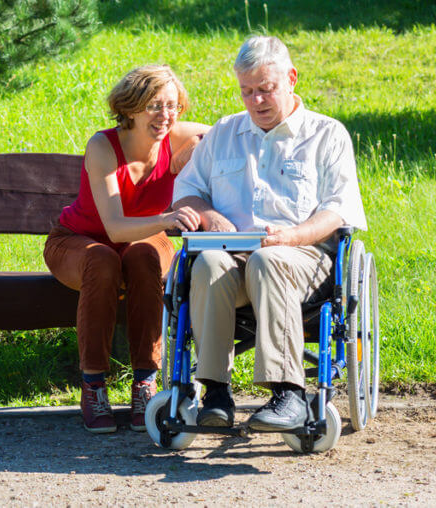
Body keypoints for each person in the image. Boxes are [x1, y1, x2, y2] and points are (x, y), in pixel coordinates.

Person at [169, 35, 367, 431]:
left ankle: (288, 393)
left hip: (304, 258)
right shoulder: (225, 133)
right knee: (207, 263)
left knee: (269, 258)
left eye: (266, 90)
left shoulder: (326, 135)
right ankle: (215, 392)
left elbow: (338, 210)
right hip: (232, 256)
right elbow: (185, 194)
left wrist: (293, 236)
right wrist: (207, 215)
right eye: (247, 91)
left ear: (291, 78)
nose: (256, 101)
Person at [44, 65, 209, 433]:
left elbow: (233, 135)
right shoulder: (102, 146)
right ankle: (93, 385)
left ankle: (145, 383)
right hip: (79, 241)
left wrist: (196, 151)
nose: (165, 116)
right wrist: (167, 218)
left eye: (172, 106)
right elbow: (115, 229)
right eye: (153, 106)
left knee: (144, 255)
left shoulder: (178, 135)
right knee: (103, 259)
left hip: (144, 240)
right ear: (130, 107)